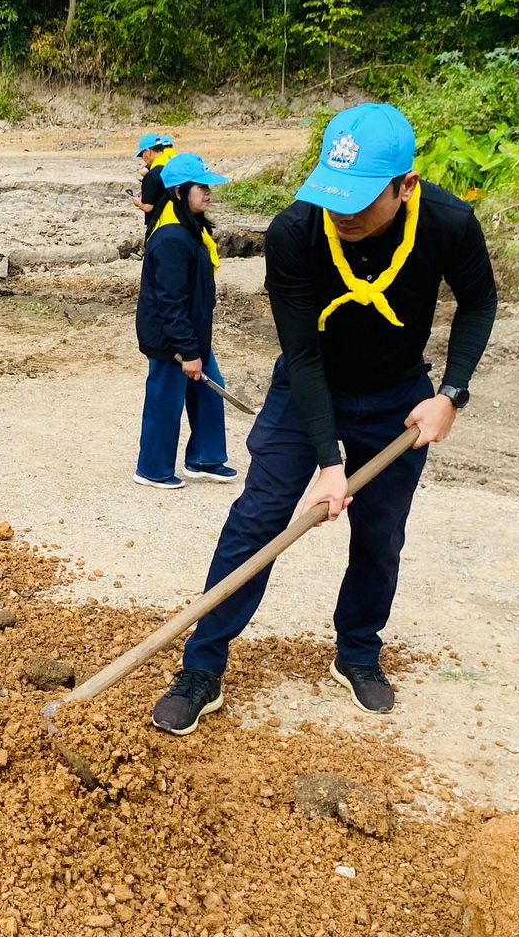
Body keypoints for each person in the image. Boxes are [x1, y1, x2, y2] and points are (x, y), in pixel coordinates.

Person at [151, 102, 497, 731]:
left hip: (398, 396)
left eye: (360, 200)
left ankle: (358, 651)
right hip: (306, 388)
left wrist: (450, 394)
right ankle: (202, 665)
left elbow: (478, 302)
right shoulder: (295, 231)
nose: (343, 213)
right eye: (335, 195)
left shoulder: (448, 222)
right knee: (257, 519)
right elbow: (303, 354)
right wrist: (329, 461)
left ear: (405, 187)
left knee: (380, 534)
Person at [134, 151, 239, 490]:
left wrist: (196, 345)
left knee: (209, 392)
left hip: (192, 334)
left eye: (209, 186)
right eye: (201, 187)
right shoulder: (171, 238)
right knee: (165, 402)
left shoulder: (192, 229)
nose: (208, 192)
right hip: (170, 339)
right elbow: (170, 302)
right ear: (179, 192)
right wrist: (187, 350)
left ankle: (205, 459)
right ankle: (152, 469)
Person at [131, 133, 173, 234]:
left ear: (148, 152)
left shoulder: (152, 175)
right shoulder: (173, 165)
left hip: (162, 226)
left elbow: (147, 207)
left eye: (142, 154)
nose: (143, 158)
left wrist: (138, 202)